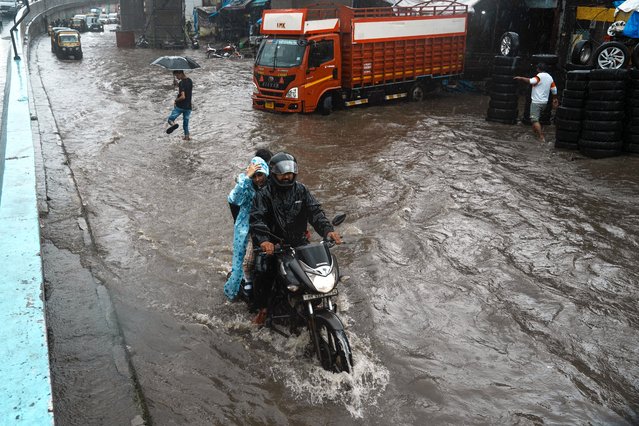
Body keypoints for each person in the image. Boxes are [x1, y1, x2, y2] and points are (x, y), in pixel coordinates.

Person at [249, 152, 342, 324]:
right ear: (274, 173)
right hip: (274, 246)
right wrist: (264, 241)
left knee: (319, 270)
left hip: (299, 243)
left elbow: (315, 212)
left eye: (290, 172)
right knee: (262, 270)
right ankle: (263, 310)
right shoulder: (263, 194)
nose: (287, 176)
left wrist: (328, 231)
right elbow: (257, 219)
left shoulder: (301, 190)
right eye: (283, 173)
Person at [224, 156, 270, 301]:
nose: (257, 179)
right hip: (247, 227)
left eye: (260, 175)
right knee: (244, 261)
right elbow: (233, 199)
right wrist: (246, 178)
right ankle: (236, 289)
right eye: (254, 176)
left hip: (265, 225)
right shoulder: (246, 186)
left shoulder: (271, 187)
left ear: (266, 173)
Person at [514, 63, 559, 143]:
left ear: (538, 69)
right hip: (544, 103)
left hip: (536, 102)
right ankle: (535, 136)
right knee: (536, 120)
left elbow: (531, 81)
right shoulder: (550, 77)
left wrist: (520, 78)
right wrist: (555, 99)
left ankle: (541, 137)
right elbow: (554, 89)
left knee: (534, 120)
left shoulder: (539, 76)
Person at [166, 70, 193, 141]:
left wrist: (175, 100)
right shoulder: (190, 81)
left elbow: (183, 96)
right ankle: (187, 137)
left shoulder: (182, 83)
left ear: (180, 73)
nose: (177, 77)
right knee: (185, 124)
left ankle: (173, 125)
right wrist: (177, 85)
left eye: (177, 76)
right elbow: (185, 88)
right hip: (188, 107)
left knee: (170, 119)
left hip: (180, 106)